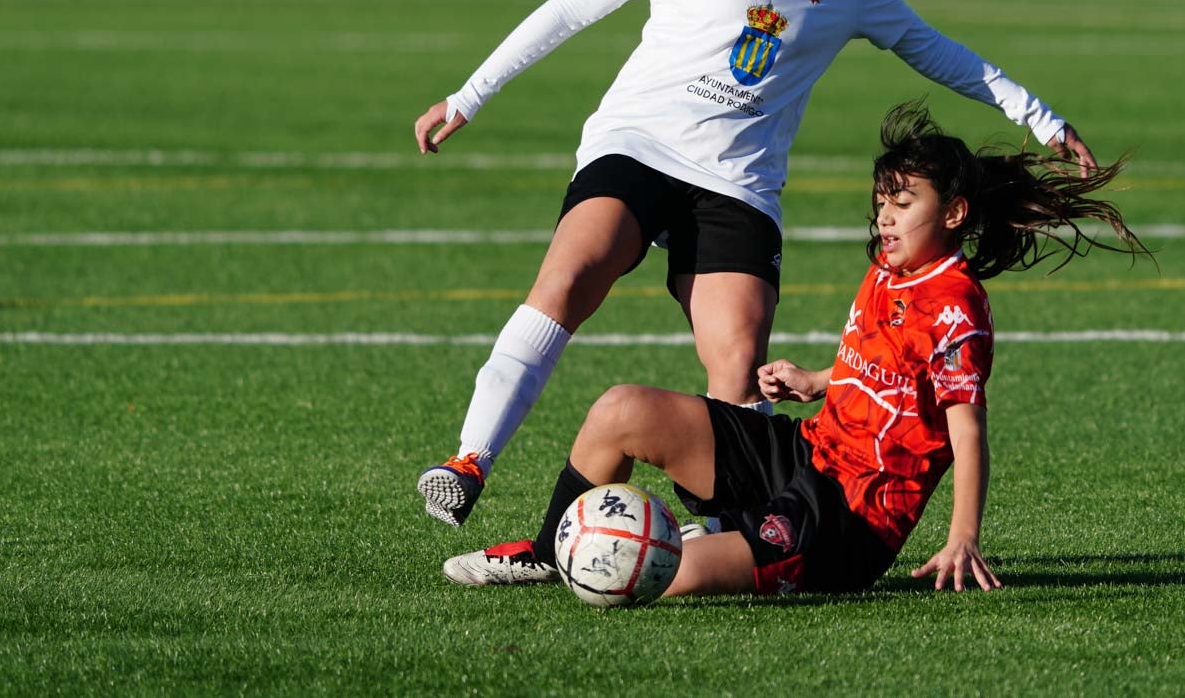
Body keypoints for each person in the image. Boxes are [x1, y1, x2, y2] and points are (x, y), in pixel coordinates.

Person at [412, 0, 1097, 529]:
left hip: (737, 182)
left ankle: (746, 533)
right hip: (637, 145)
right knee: (571, 275)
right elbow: (572, 7)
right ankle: (469, 461)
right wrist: (470, 93)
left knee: (739, 364)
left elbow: (935, 50)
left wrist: (1041, 117)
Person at [436, 102, 1143, 596]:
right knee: (620, 409)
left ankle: (690, 547)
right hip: (807, 453)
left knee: (661, 573)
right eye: (881, 200)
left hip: (849, 519)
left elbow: (964, 426)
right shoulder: (890, 269)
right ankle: (549, 552)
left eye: (903, 202)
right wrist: (816, 379)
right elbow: (891, 371)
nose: (885, 215)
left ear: (953, 213)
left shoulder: (956, 305)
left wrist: (962, 535)